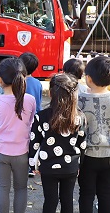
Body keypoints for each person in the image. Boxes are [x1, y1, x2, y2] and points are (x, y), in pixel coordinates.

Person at [29, 73, 86, 213]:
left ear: (51, 93)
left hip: (48, 166)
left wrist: (32, 164)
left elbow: (34, 142)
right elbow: (82, 144)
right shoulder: (79, 117)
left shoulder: (41, 116)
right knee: (67, 199)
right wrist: (80, 163)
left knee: (50, 200)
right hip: (70, 166)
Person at [0, 58, 36, 213]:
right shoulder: (30, 100)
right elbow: (30, 124)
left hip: (0, 150)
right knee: (21, 188)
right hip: (22, 152)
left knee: (2, 187)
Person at [77, 56, 110, 213]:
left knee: (86, 194)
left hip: (87, 155)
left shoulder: (80, 100)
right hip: (109, 155)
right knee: (106, 194)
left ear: (88, 78)